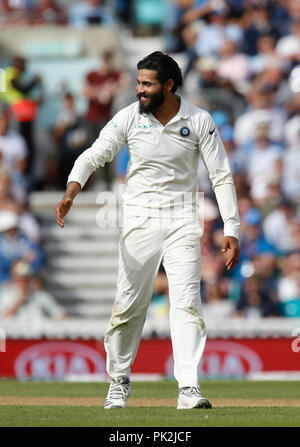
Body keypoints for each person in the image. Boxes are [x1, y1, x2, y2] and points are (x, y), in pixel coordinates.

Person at [56, 51, 240, 410]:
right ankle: (119, 382)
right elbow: (96, 153)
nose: (139, 89)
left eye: (147, 84)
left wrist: (231, 226)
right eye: (139, 82)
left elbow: (220, 174)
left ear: (169, 85)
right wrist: (72, 189)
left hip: (183, 221)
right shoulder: (129, 117)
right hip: (139, 219)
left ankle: (188, 388)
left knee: (187, 303)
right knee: (128, 305)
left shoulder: (199, 120)